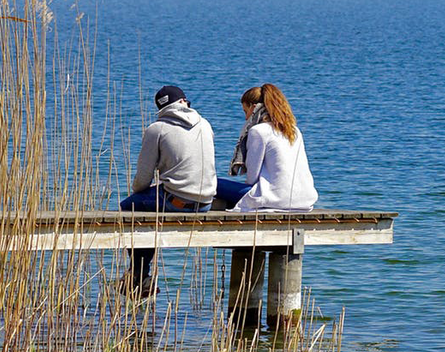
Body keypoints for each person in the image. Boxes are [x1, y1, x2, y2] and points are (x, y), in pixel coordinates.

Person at [119, 85, 217, 296]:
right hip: (206, 202)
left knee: (129, 206)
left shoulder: (157, 129)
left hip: (177, 201)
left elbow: (142, 180)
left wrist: (138, 190)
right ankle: (139, 277)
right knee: (148, 207)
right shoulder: (205, 124)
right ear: (184, 102)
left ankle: (139, 275)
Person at [215, 84, 318, 212]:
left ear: (253, 108)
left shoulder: (258, 131)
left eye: (245, 111)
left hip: (276, 199)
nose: (246, 118)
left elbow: (252, 177)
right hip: (304, 199)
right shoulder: (294, 131)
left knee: (213, 183)